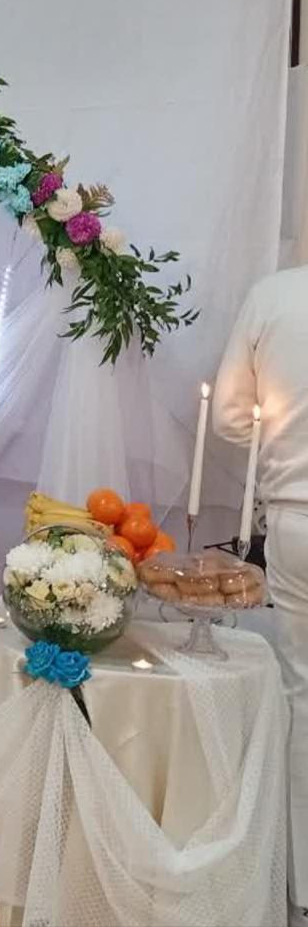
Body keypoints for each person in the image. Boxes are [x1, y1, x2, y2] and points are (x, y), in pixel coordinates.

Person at [213, 265, 308, 920]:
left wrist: (278, 442)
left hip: (297, 514)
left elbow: (228, 417)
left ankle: (302, 884)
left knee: (301, 693)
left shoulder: (274, 294)